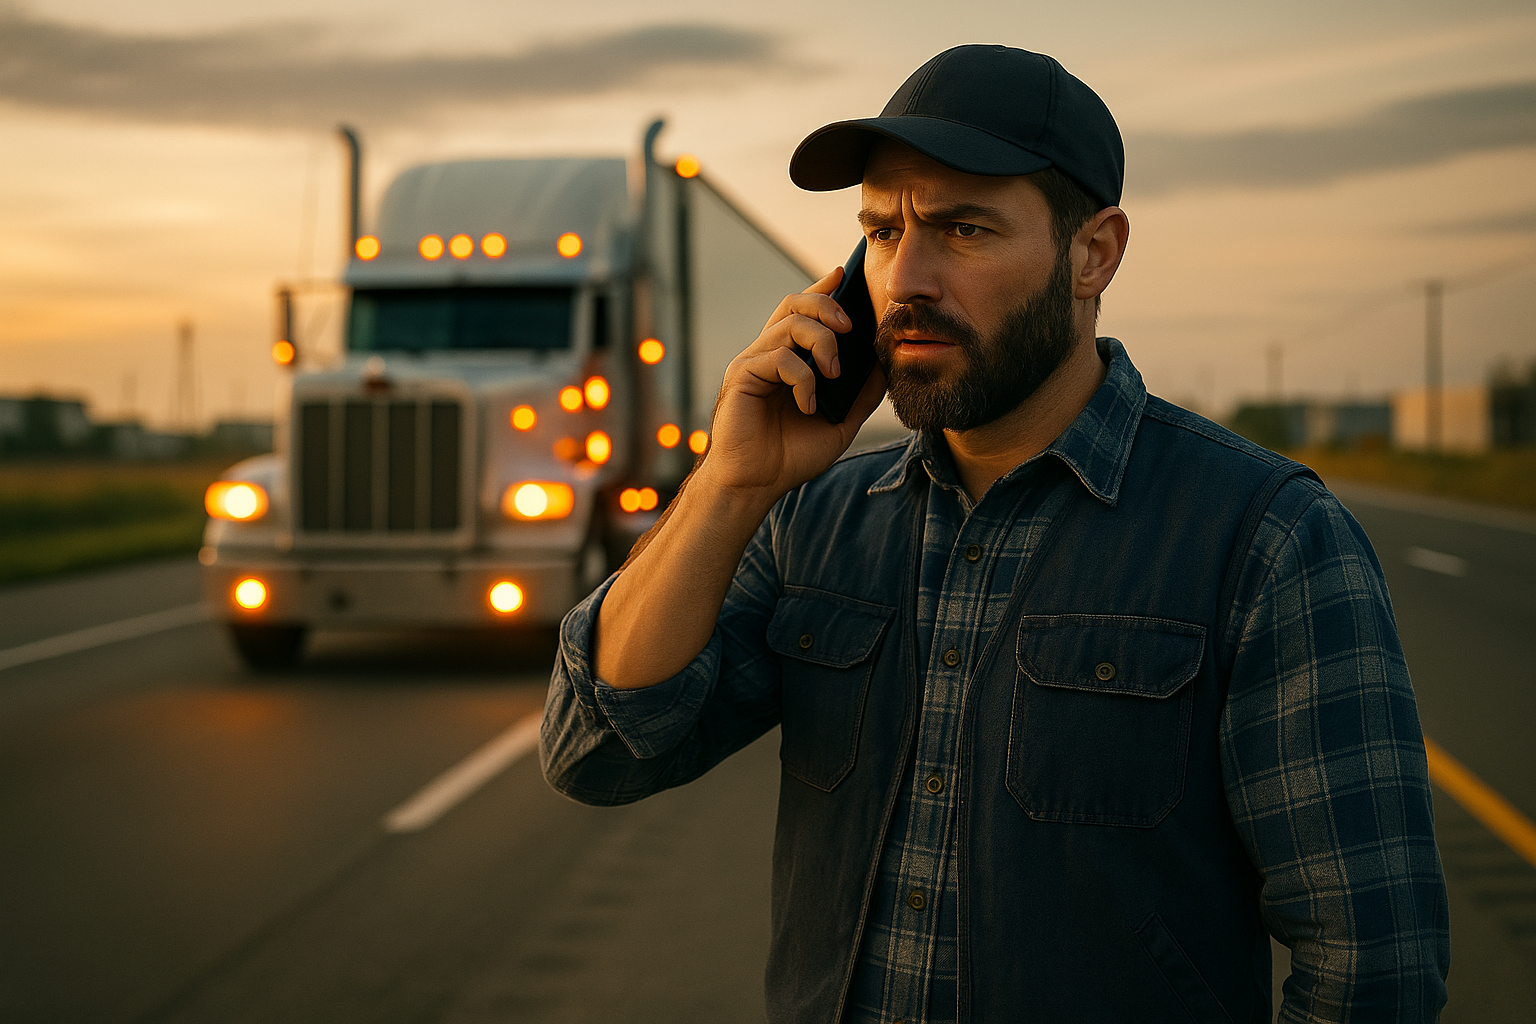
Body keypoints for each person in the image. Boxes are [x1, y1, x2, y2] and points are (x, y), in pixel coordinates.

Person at [542, 44, 1449, 1023]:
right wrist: (729, 482)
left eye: (963, 228)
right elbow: (602, 749)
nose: (907, 278)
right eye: (882, 231)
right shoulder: (811, 516)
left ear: (1093, 253)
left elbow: (1372, 970)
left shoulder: (1270, 539)